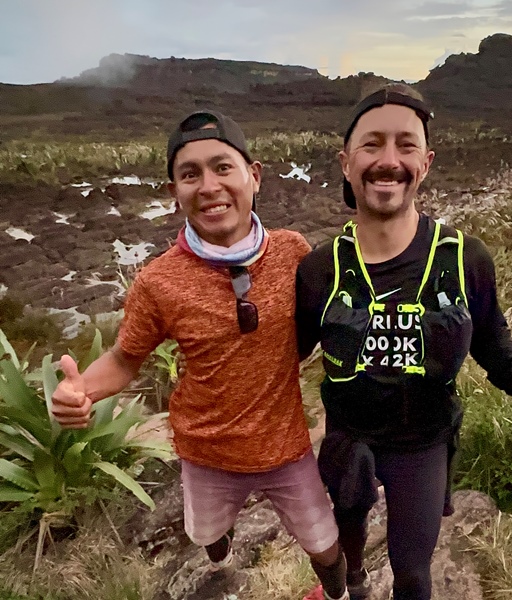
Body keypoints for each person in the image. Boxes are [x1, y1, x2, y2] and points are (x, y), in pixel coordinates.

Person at [51, 109, 350, 600]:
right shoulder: (158, 282)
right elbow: (126, 360)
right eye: (190, 174)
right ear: (174, 193)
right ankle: (221, 549)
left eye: (222, 167)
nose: (208, 185)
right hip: (205, 453)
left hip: (286, 448)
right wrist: (81, 388)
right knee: (205, 534)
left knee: (324, 540)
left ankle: (337, 593)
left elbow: (340, 317)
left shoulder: (294, 252)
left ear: (253, 177)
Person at [295, 84, 512, 600]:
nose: (388, 160)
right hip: (349, 435)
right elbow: (285, 354)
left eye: (406, 144)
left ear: (427, 162)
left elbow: (491, 338)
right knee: (347, 513)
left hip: (424, 442)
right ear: (346, 163)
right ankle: (352, 577)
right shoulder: (318, 269)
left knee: (415, 575)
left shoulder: (465, 258)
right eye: (371, 145)